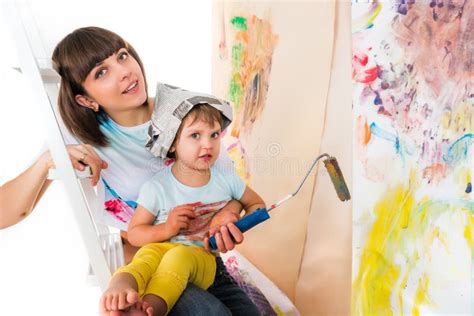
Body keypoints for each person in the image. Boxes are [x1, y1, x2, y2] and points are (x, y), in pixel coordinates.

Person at [0, 26, 261, 316]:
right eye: (102, 72)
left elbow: (228, 185)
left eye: (122, 56)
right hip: (146, 263)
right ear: (86, 100)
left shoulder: (183, 112)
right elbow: (5, 213)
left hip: (202, 256)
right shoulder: (82, 132)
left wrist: (230, 212)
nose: (124, 71)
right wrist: (50, 160)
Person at [101, 94, 265, 315]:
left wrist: (235, 222)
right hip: (157, 251)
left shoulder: (227, 179)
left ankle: (149, 308)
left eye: (214, 135)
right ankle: (123, 285)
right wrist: (167, 229)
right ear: (172, 144)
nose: (207, 144)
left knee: (180, 256)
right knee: (144, 260)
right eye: (195, 135)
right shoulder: (156, 187)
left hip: (205, 261)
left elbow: (257, 204)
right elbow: (135, 235)